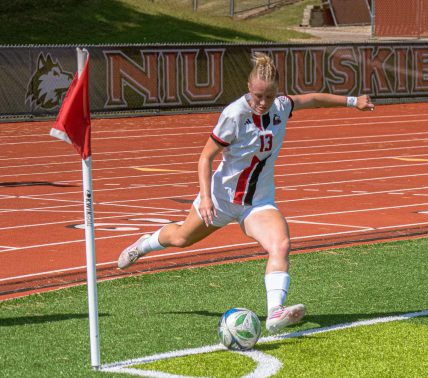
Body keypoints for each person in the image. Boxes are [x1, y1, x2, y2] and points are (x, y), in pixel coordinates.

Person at [117, 52, 375, 334]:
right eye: (257, 96)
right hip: (221, 199)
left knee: (281, 244)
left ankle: (275, 312)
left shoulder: (281, 106)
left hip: (258, 203)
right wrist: (205, 197)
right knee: (180, 238)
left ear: (276, 92)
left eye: (268, 96)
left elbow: (311, 99)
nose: (262, 103)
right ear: (248, 88)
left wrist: (353, 101)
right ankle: (143, 244)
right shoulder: (234, 114)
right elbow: (205, 158)